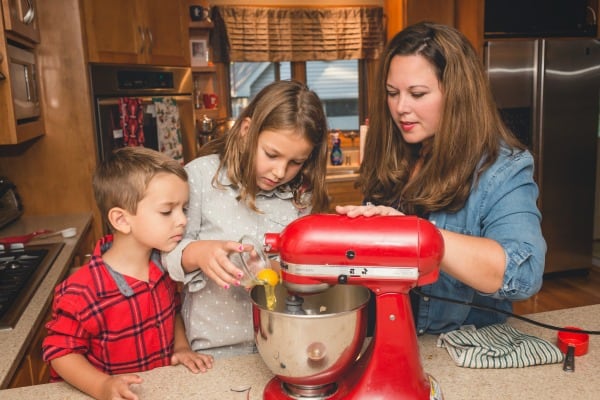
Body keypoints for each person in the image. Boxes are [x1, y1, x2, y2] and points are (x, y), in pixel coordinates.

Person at [337, 22, 546, 334]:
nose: (401, 108)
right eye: (392, 93)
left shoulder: (502, 169)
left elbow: (524, 274)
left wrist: (417, 236)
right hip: (382, 338)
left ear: (457, 94)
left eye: (417, 94)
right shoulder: (394, 153)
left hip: (449, 350)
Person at [162, 80, 329, 359]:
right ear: (246, 130)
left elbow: (312, 265)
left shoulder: (302, 196)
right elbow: (166, 256)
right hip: (213, 350)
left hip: (282, 346)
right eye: (271, 155)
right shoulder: (201, 178)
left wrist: (281, 269)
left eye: (295, 162)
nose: (279, 172)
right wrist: (197, 253)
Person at [42, 147, 213, 400]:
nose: (183, 221)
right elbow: (61, 353)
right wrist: (102, 386)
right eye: (167, 211)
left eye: (184, 209)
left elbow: (173, 311)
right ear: (121, 220)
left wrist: (181, 347)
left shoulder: (163, 268)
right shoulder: (83, 290)